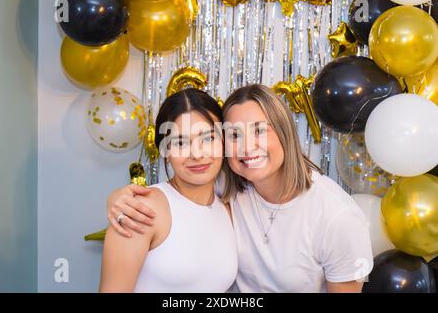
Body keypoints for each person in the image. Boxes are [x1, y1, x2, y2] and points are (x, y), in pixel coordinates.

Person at [106, 85, 373, 293]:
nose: (247, 148)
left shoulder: (337, 217)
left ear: (285, 132)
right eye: (234, 135)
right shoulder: (225, 189)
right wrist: (117, 198)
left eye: (260, 131)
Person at [99, 89, 237, 293]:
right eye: (180, 142)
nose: (197, 154)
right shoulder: (140, 210)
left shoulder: (228, 211)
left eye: (208, 139)